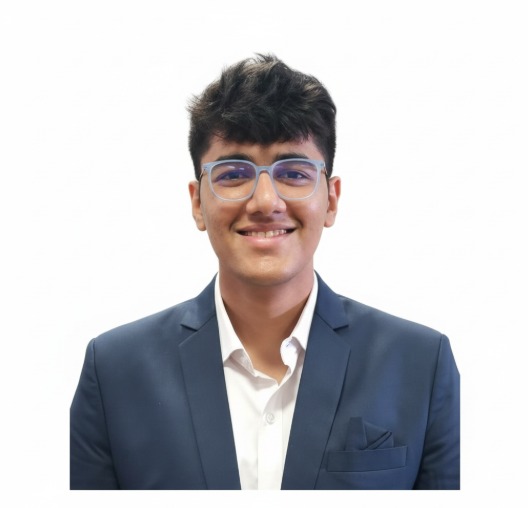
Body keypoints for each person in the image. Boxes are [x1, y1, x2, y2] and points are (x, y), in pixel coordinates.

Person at [70, 54, 460, 490]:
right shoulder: (115, 372)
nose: (265, 202)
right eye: (233, 174)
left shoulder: (420, 365)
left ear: (331, 200)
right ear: (197, 202)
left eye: (293, 173)